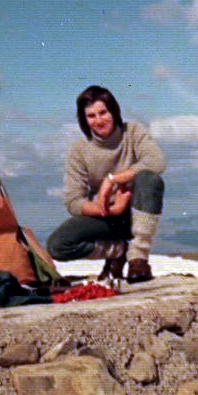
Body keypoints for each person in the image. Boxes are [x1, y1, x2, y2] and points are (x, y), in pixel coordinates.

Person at [46, 85, 165, 283]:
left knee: (149, 178)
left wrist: (112, 180)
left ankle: (138, 259)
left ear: (114, 111)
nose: (99, 120)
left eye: (103, 112)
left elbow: (157, 162)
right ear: (84, 120)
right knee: (58, 245)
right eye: (91, 116)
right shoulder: (78, 151)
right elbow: (73, 201)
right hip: (108, 215)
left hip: (139, 212)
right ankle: (118, 251)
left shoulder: (133, 132)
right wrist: (108, 209)